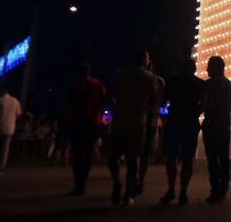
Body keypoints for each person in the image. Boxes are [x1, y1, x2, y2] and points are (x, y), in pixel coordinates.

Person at [107, 51, 157, 205]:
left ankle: (117, 182)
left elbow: (109, 97)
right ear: (144, 61)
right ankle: (128, 195)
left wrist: (117, 108)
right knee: (132, 159)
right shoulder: (149, 78)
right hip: (137, 123)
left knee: (113, 157)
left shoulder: (119, 76)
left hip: (119, 121)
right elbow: (155, 100)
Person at [160, 58, 205, 205]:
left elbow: (162, 101)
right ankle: (183, 192)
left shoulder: (172, 81)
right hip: (190, 123)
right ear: (194, 69)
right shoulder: (199, 84)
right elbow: (204, 104)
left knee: (171, 157)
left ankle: (171, 189)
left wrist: (166, 115)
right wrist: (195, 112)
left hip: (174, 121)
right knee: (188, 158)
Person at [66, 63, 107, 195]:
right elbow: (104, 100)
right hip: (93, 122)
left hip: (78, 122)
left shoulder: (75, 85)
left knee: (78, 153)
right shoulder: (98, 84)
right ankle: (82, 182)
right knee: (88, 153)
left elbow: (69, 104)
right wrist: (100, 114)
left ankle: (79, 183)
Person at [202, 55, 231, 204]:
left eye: (209, 65)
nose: (207, 68)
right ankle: (224, 187)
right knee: (224, 156)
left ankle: (216, 189)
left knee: (212, 159)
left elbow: (205, 105)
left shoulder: (208, 85)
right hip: (225, 123)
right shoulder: (229, 85)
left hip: (211, 124)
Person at [137, 59, 165, 195]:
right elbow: (162, 99)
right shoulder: (158, 81)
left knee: (137, 154)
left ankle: (136, 181)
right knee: (143, 154)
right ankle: (139, 181)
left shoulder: (127, 78)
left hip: (140, 121)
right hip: (150, 122)